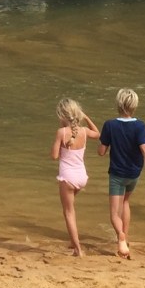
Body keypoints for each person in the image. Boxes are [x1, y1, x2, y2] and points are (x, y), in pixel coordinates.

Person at [97, 88, 145, 258]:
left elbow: (101, 152)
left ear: (118, 103)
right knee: (126, 202)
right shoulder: (139, 125)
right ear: (135, 105)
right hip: (134, 173)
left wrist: (103, 142)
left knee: (113, 214)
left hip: (117, 174)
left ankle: (121, 237)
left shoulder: (110, 125)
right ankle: (125, 235)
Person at [50, 98, 101, 257]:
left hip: (67, 178)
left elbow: (54, 156)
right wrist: (86, 118)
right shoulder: (84, 131)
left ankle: (78, 249)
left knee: (68, 212)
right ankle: (73, 241)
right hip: (81, 177)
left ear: (61, 116)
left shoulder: (61, 133)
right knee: (71, 209)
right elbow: (98, 133)